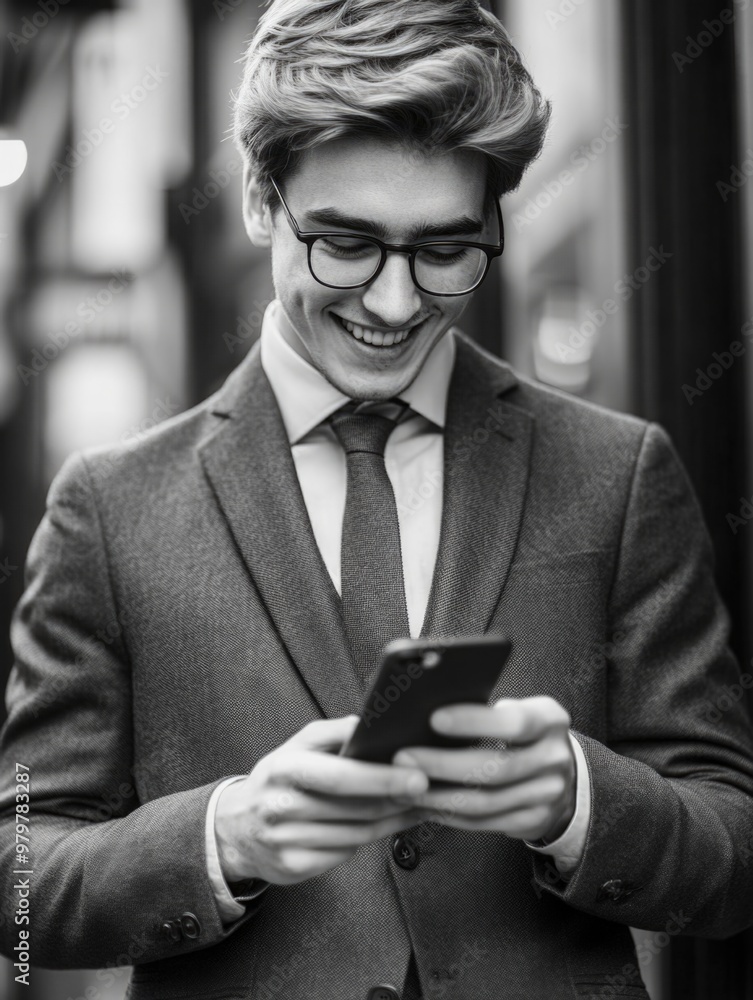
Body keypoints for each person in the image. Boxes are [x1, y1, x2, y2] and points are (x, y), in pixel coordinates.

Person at [1, 1, 753, 998]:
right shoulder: (110, 507)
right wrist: (224, 834)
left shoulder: (617, 474)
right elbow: (19, 887)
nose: (396, 305)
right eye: (346, 244)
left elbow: (732, 856)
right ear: (263, 201)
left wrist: (580, 799)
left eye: (445, 250)